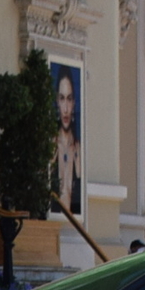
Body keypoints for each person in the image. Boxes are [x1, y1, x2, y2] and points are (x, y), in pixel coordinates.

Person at [53, 66, 82, 213]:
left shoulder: (79, 149)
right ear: (57, 101)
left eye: (69, 99)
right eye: (62, 98)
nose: (65, 108)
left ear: (74, 103)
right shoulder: (50, 146)